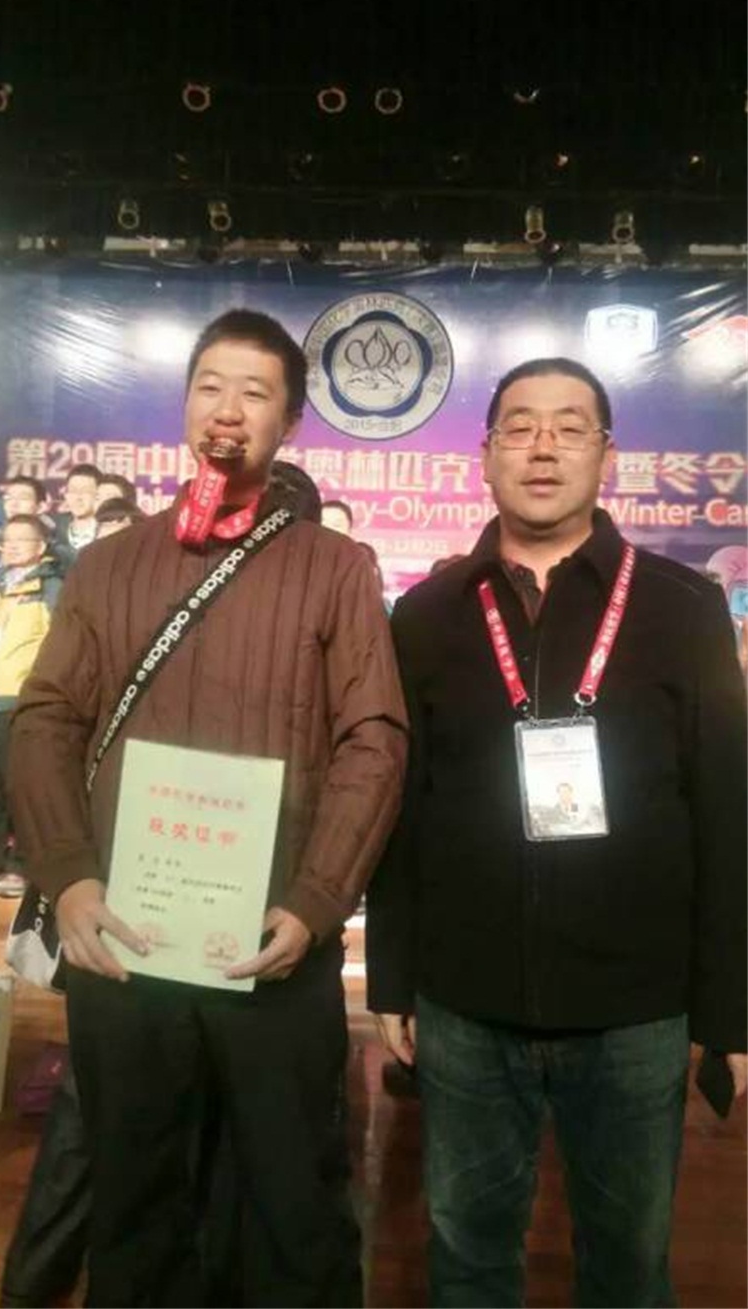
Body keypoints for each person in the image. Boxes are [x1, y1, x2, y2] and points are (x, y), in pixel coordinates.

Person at [8, 308, 408, 1309]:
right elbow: (47, 721)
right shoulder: (110, 565)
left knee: (292, 1204)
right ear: (186, 403)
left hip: (272, 949)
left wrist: (316, 899)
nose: (228, 410)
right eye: (210, 386)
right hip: (126, 943)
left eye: (255, 393)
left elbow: (373, 739)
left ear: (290, 422)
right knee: (135, 1202)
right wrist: (69, 876)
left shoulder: (335, 569)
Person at [366, 356, 747, 1309]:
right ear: (486, 455)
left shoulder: (683, 606)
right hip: (466, 1001)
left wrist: (729, 1010)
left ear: (607, 457)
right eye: (520, 427)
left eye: (570, 428)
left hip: (636, 1008)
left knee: (629, 1266)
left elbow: (727, 809)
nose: (543, 448)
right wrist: (394, 975)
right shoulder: (427, 614)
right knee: (467, 1255)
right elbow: (402, 808)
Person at [0, 515, 63, 896]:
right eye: (8, 539)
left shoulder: (51, 588)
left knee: (19, 786)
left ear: (41, 547)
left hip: (21, 700)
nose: (12, 545)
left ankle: (20, 867)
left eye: (23, 539)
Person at [54, 464, 102, 561]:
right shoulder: (53, 529)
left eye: (85, 491)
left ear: (98, 495)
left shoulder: (108, 530)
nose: (78, 497)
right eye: (73, 490)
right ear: (66, 495)